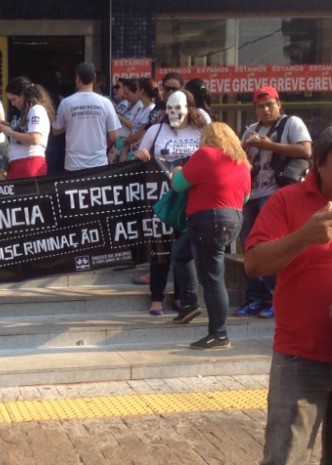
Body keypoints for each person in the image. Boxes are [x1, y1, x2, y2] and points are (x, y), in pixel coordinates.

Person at [244, 126, 332, 465]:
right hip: (300, 358)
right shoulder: (287, 200)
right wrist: (306, 236)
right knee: (285, 458)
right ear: (321, 162)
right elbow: (253, 264)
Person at [171, 122, 251, 348]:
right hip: (232, 219)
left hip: (207, 220)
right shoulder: (242, 162)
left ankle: (219, 334)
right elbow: (245, 197)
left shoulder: (205, 155)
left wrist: (177, 171)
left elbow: (178, 184)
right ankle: (189, 303)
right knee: (180, 252)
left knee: (213, 278)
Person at [236, 85, 312, 319]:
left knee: (269, 246)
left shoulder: (292, 123)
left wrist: (268, 145)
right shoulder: (251, 130)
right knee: (250, 248)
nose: (266, 109)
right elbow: (237, 160)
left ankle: (275, 297)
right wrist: (244, 150)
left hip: (277, 195)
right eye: (261, 106)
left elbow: (306, 150)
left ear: (279, 104)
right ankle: (255, 298)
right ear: (255, 109)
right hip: (251, 195)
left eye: (270, 104)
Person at [135, 90, 207, 316]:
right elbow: (139, 154)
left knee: (185, 248)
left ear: (190, 109)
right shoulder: (156, 131)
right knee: (160, 247)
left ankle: (180, 296)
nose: (173, 113)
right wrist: (142, 154)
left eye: (179, 108)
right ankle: (156, 296)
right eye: (169, 108)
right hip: (162, 200)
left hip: (191, 199)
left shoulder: (202, 131)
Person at [52, 62, 120, 171]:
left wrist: (70, 124)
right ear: (94, 78)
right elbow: (114, 136)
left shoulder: (66, 103)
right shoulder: (106, 103)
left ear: (77, 79)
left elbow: (55, 131)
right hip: (98, 164)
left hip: (73, 165)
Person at [0, 77, 55, 179]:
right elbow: (25, 131)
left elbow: (35, 138)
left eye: (14, 99)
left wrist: (11, 133)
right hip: (20, 163)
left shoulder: (36, 110)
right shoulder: (28, 112)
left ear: (23, 94)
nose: (13, 104)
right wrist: (9, 127)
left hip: (29, 163)